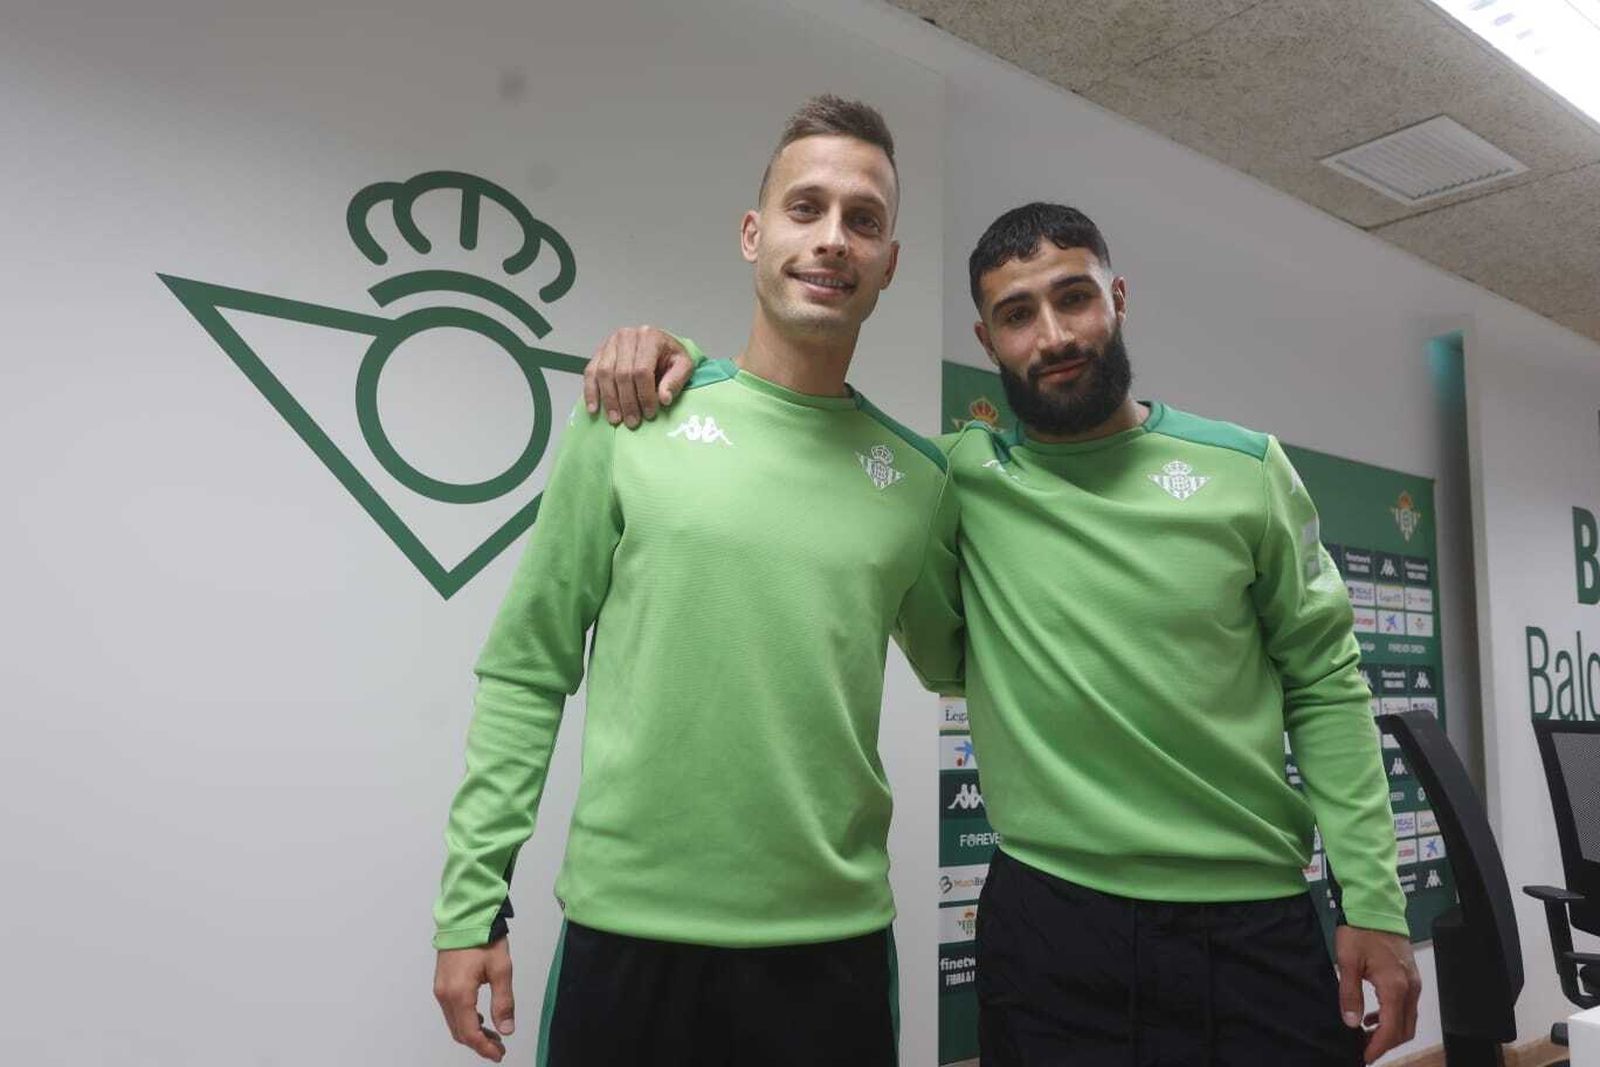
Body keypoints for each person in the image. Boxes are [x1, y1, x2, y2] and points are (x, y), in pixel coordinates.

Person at [584, 202, 1423, 1065]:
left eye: (1075, 298)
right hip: (1051, 927)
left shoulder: (1246, 471)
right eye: (1018, 315)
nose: (1053, 335)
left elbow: (1326, 684)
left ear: (1119, 298)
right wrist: (663, 350)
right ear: (988, 341)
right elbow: (808, 430)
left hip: (1252, 921)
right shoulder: (954, 478)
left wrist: (1376, 903)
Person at [430, 95, 961, 1067]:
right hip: (630, 939)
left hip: (830, 954)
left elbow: (970, 659)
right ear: (754, 235)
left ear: (890, 264)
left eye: (863, 219)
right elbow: (527, 669)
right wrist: (471, 900)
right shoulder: (630, 417)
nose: (832, 238)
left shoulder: (920, 481)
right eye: (805, 208)